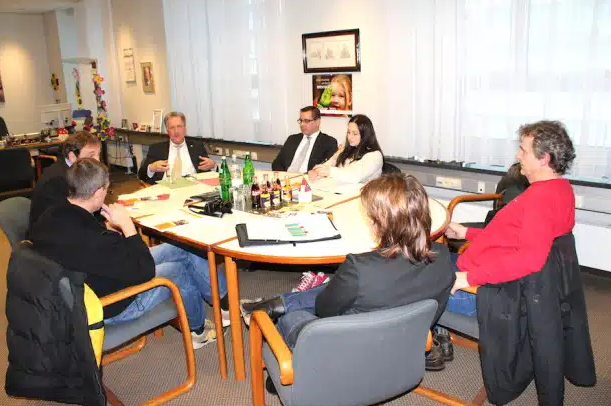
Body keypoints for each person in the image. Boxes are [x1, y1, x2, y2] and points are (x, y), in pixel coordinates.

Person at [241, 174, 455, 372]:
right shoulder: (444, 257)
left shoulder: (360, 268)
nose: (368, 220)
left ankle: (291, 360)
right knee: (341, 287)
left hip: (349, 352)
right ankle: (276, 304)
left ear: (382, 222)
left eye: (370, 216)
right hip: (404, 344)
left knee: (292, 318)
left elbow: (324, 311)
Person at [30, 159, 228, 350]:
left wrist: (106, 229)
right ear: (98, 193)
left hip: (91, 283)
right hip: (112, 304)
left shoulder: (52, 214)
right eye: (107, 189)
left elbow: (93, 246)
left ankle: (223, 303)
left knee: (179, 248)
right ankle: (198, 332)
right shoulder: (97, 242)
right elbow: (144, 271)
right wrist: (128, 227)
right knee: (177, 270)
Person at [445, 120, 576, 315]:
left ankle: (433, 334)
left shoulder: (540, 200)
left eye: (523, 151)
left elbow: (530, 259)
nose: (517, 155)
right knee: (426, 263)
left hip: (480, 290)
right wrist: (466, 232)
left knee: (409, 283)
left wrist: (468, 278)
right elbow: (512, 237)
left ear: (543, 159)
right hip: (485, 272)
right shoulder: (561, 190)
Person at [29, 131, 102, 232]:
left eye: (98, 154)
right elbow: (70, 220)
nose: (97, 161)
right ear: (72, 157)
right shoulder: (58, 181)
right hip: (51, 239)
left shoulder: (72, 171)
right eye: (91, 155)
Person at [138, 111, 216, 184]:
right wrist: (151, 168)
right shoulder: (156, 148)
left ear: (185, 128)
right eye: (172, 127)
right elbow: (141, 175)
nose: (176, 131)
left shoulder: (197, 147)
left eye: (179, 126)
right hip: (167, 188)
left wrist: (213, 165)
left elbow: (209, 170)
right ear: (167, 130)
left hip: (193, 187)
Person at [309, 114, 383, 184]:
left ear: (365, 135)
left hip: (362, 195)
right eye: (348, 132)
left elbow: (356, 176)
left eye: (355, 134)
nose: (350, 137)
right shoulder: (346, 147)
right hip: (340, 191)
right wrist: (317, 171)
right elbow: (331, 162)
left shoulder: (375, 155)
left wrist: (330, 171)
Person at [271, 106, 338, 173]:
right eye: (301, 121)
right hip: (286, 179)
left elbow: (325, 169)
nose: (302, 124)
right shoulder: (292, 139)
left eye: (306, 121)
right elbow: (277, 163)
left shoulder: (329, 142)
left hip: (309, 180)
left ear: (318, 122)